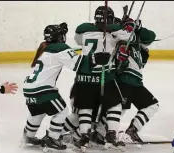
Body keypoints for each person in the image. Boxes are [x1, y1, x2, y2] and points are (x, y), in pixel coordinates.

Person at [21, 23, 110, 152]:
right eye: (62, 34)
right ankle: (52, 138)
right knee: (61, 111)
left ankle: (28, 136)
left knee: (38, 111)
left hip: (29, 88)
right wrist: (95, 59)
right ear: (59, 37)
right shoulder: (60, 48)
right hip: (43, 89)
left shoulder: (45, 47)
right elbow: (78, 64)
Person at [67, 5, 137, 151]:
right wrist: (128, 24)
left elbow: (79, 38)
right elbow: (130, 37)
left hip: (83, 77)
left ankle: (84, 136)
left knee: (85, 108)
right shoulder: (114, 32)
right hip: (104, 77)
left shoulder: (84, 29)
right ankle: (111, 134)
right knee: (115, 105)